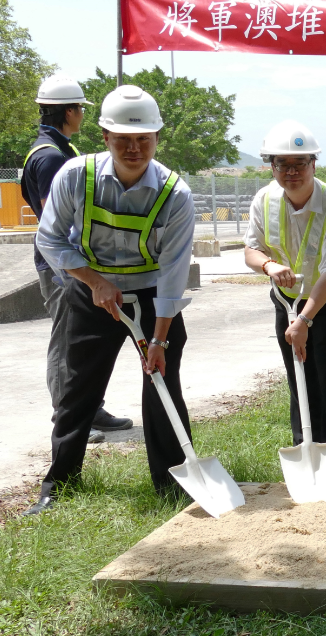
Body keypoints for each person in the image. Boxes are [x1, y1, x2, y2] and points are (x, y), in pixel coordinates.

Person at [25, 85, 196, 516]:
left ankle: (172, 479)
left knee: (162, 387)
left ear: (157, 139)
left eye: (143, 139)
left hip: (153, 295)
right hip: (90, 293)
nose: (134, 148)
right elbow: (48, 240)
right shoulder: (74, 176)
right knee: (77, 388)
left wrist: (157, 341)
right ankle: (59, 481)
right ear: (104, 136)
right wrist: (93, 280)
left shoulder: (176, 194)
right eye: (123, 139)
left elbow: (174, 273)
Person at [243, 120, 326, 474]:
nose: (291, 172)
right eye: (282, 164)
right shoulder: (264, 199)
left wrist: (305, 320)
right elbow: (251, 250)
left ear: (314, 164)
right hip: (286, 301)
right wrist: (268, 266)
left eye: (300, 164)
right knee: (298, 376)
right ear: (271, 166)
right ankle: (305, 447)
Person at [20, 75, 131, 443]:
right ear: (69, 111)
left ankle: (88, 409)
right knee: (67, 342)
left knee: (79, 343)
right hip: (62, 266)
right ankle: (68, 418)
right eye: (80, 109)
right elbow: (57, 220)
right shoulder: (52, 157)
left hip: (66, 264)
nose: (81, 115)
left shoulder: (49, 149)